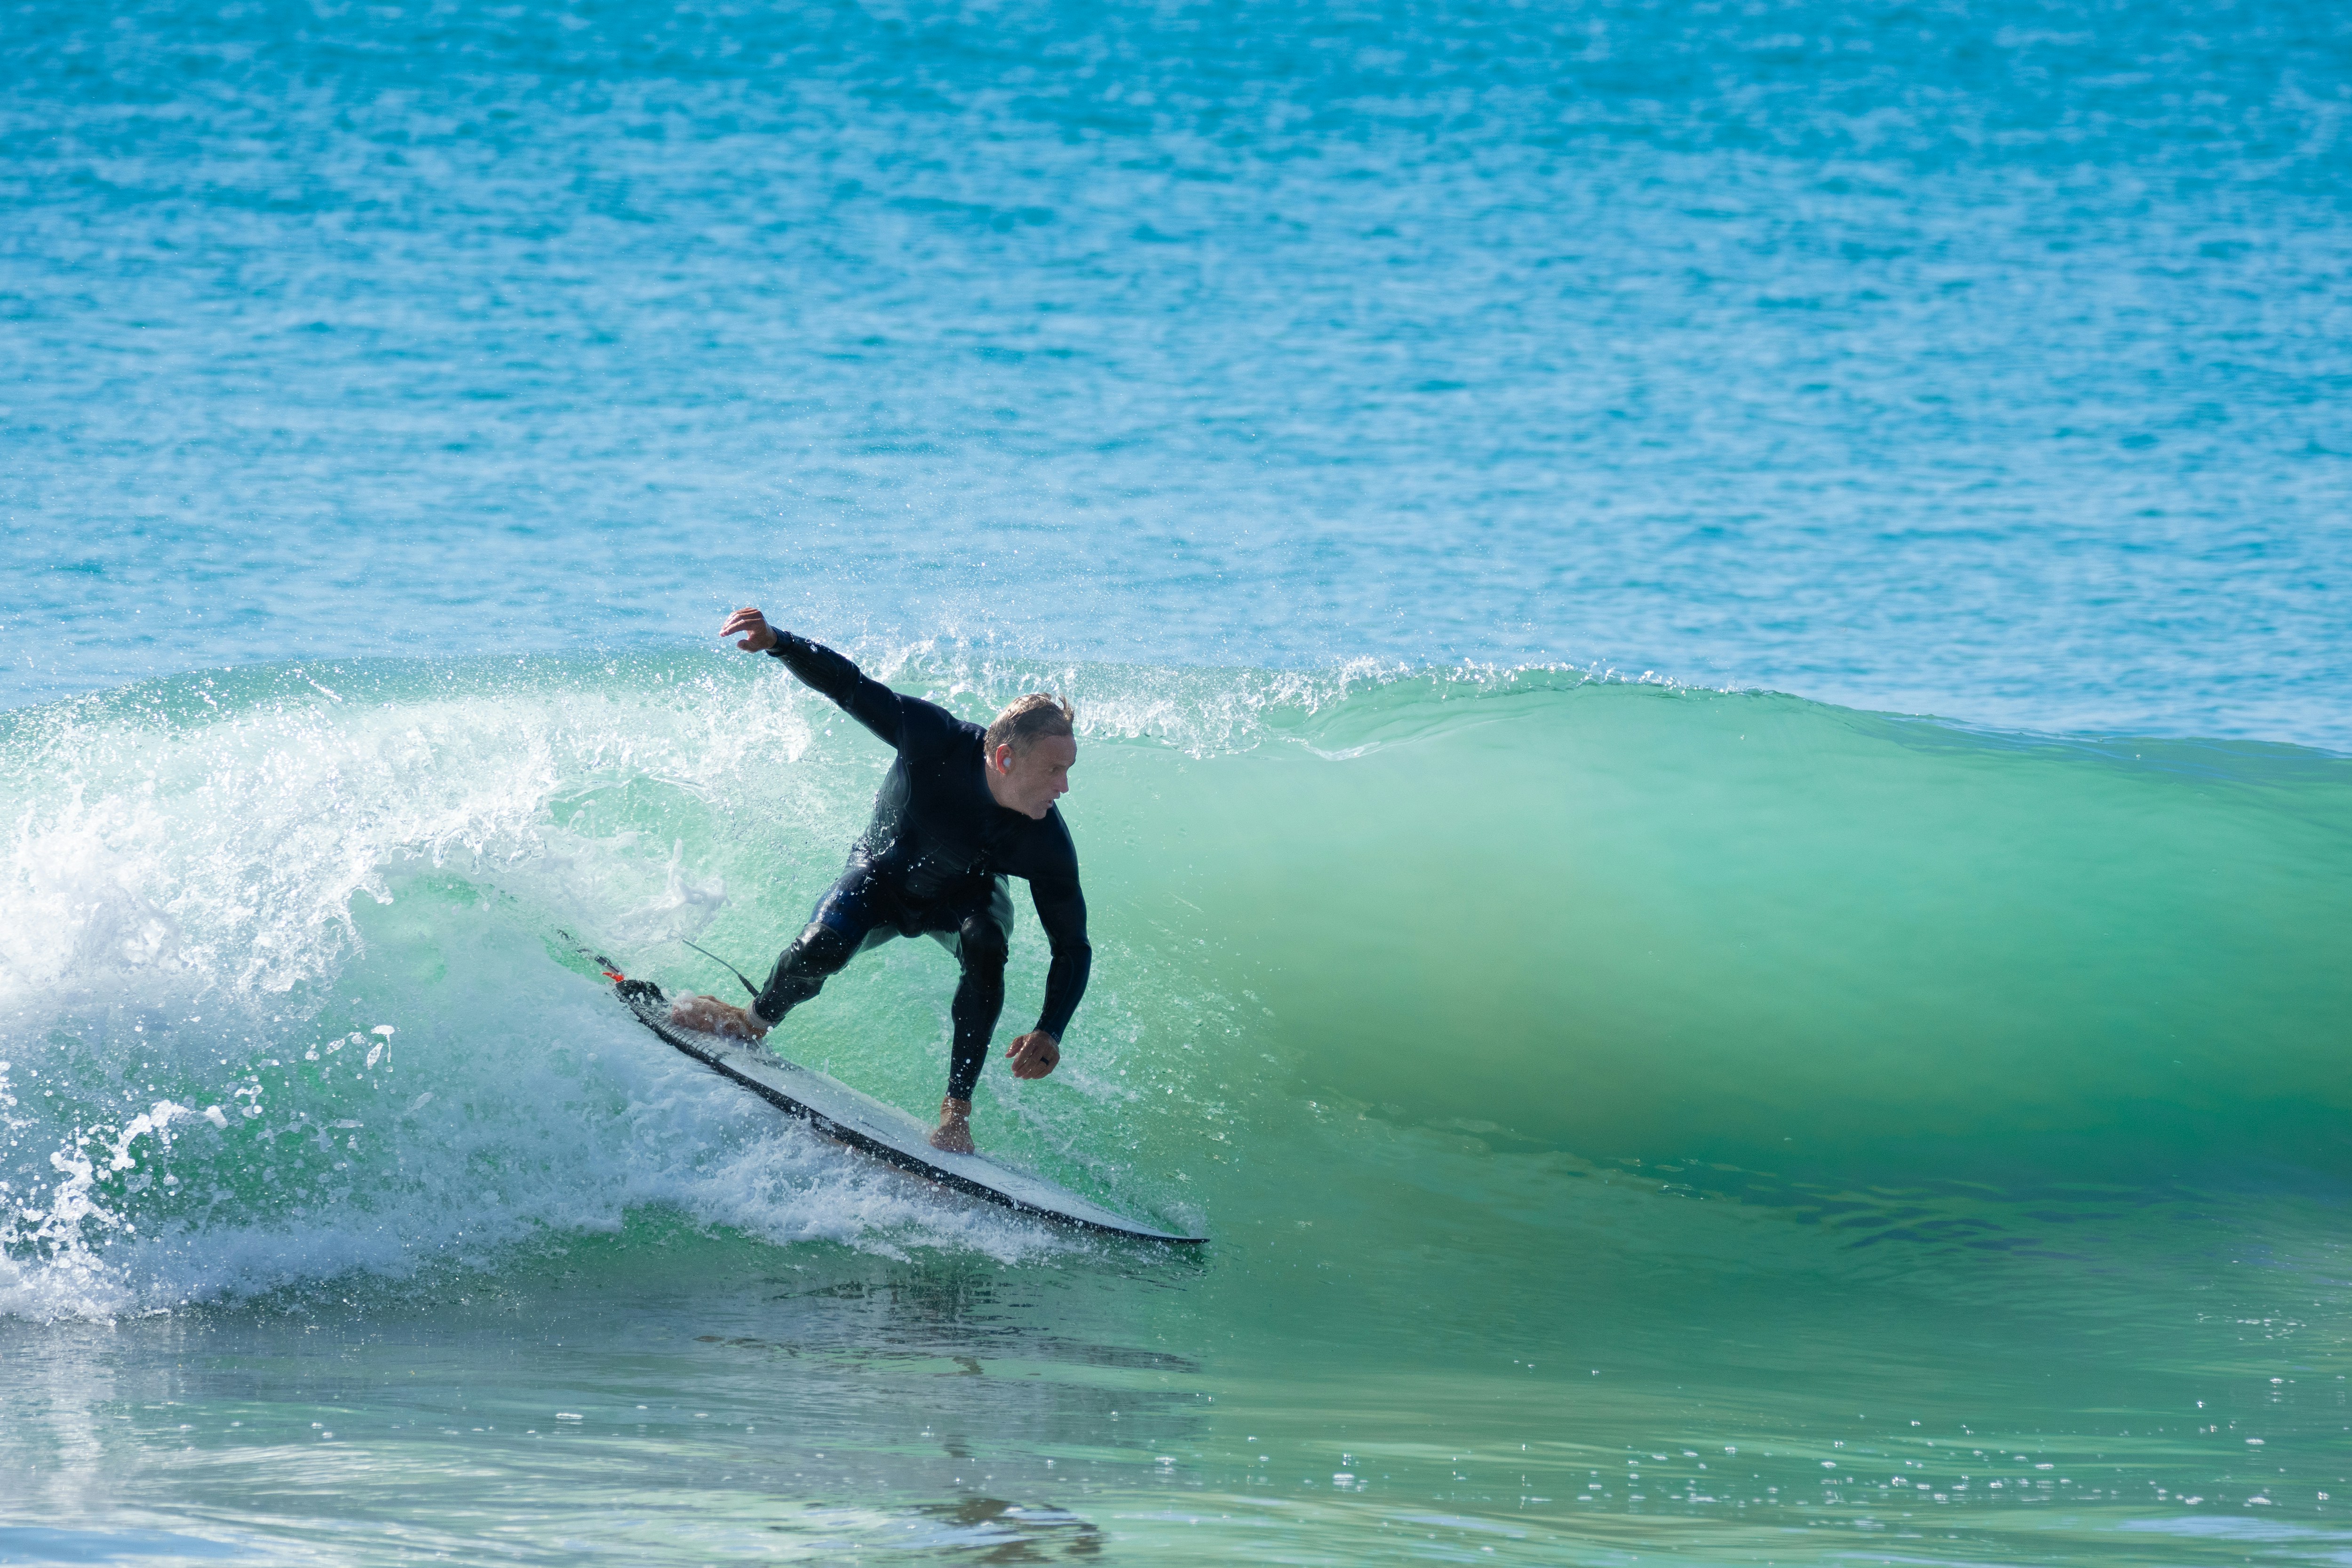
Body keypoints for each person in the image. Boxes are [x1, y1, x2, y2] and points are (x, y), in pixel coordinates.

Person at [667, 607, 1090, 1154]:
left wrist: (1050, 1029)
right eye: (1055, 770)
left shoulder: (1046, 841)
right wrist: (778, 642)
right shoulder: (934, 739)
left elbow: (1072, 946)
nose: (1064, 787)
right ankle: (751, 1020)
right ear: (1005, 758)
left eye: (1068, 771)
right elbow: (850, 688)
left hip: (965, 894)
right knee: (821, 944)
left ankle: (956, 1112)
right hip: (882, 872)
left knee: (986, 942)